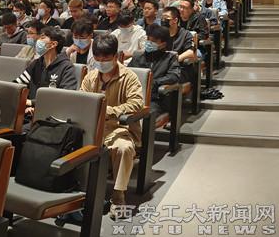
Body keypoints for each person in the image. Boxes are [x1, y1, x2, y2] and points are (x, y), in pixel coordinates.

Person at [80, 34, 143, 219]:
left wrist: (111, 111)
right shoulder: (91, 77)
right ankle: (77, 192)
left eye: (106, 58)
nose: (101, 62)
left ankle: (118, 195)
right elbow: (82, 99)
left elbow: (136, 103)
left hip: (118, 128)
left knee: (124, 148)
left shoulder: (128, 76)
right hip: (92, 127)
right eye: (97, 58)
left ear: (116, 56)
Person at [15, 26, 78, 117]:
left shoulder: (67, 67)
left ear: (53, 44)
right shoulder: (36, 63)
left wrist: (33, 103)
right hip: (27, 113)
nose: (38, 41)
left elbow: (65, 97)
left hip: (51, 116)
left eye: (42, 38)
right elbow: (17, 85)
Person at [129, 25, 181, 118]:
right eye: (148, 39)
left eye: (154, 41)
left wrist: (155, 82)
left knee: (144, 114)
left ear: (163, 44)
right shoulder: (138, 56)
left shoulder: (170, 58)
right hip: (135, 96)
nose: (149, 42)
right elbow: (128, 73)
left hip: (156, 99)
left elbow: (174, 76)